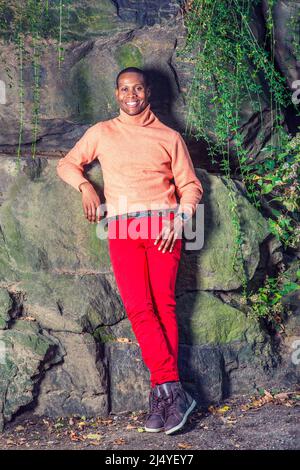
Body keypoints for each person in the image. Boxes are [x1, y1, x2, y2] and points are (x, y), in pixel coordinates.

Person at [56, 67, 204, 435]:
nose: (131, 94)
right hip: (123, 227)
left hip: (164, 228)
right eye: (125, 88)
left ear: (148, 91)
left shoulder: (168, 136)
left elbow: (191, 186)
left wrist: (180, 220)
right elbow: (67, 164)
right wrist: (87, 188)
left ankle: (163, 396)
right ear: (116, 93)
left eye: (137, 87)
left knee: (163, 306)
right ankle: (172, 391)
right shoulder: (101, 133)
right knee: (139, 309)